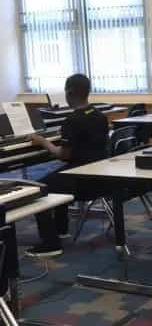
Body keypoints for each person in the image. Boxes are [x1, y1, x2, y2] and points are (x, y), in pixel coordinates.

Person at [25, 74, 109, 257]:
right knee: (57, 179)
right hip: (100, 177)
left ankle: (50, 243)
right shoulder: (99, 116)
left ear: (69, 92)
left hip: (80, 181)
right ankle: (61, 229)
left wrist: (43, 142)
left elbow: (63, 155)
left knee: (40, 188)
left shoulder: (72, 121)